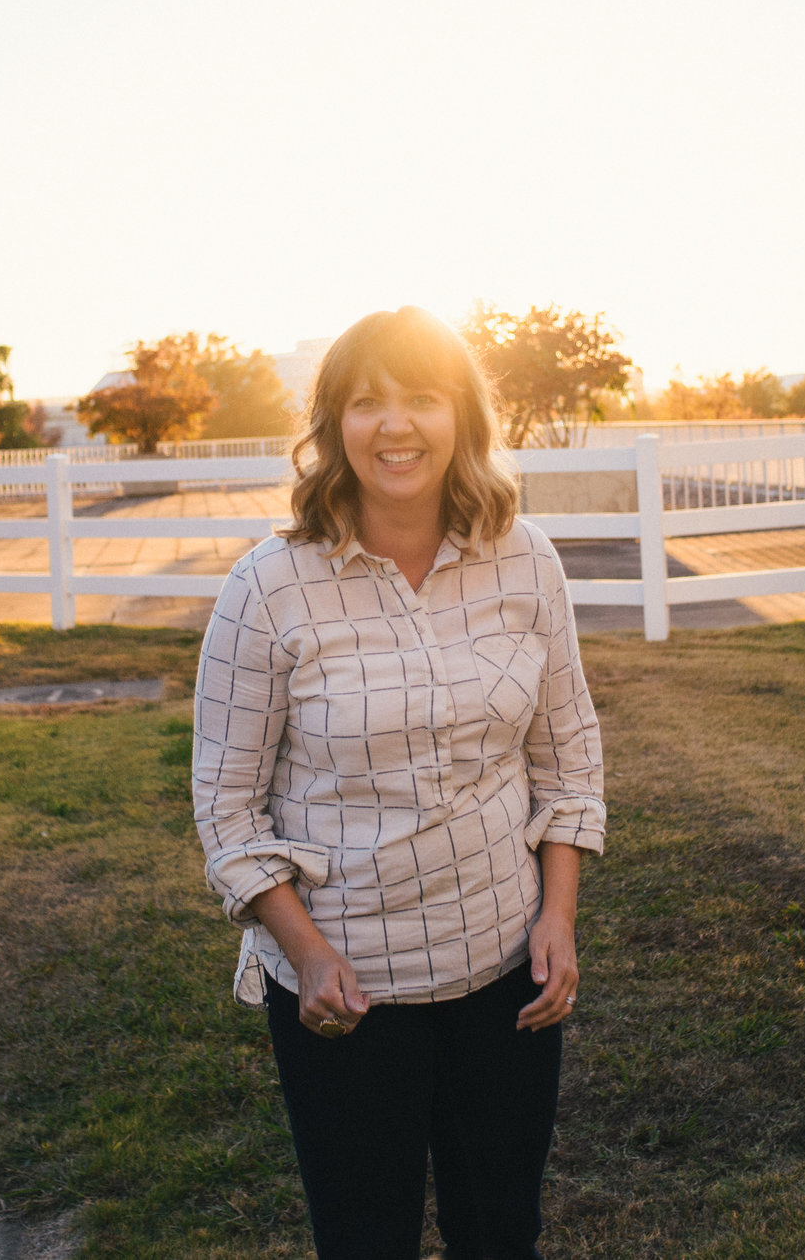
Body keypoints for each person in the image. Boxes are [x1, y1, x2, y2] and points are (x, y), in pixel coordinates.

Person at [191, 306, 607, 1260]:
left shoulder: (525, 560)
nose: (396, 425)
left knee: (499, 1231)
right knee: (364, 1238)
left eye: (421, 398)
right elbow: (226, 804)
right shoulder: (268, 585)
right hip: (349, 991)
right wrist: (305, 951)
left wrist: (557, 916)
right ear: (334, 423)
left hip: (506, 972)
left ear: (462, 416)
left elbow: (568, 754)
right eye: (368, 402)